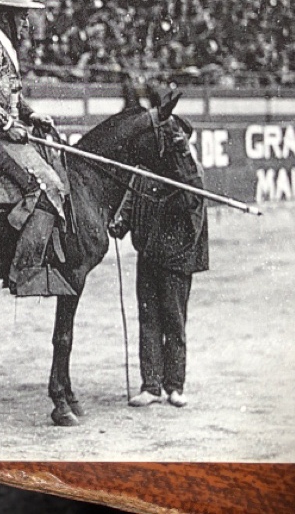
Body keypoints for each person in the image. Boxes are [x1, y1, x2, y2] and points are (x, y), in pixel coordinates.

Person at [0, 0, 72, 297]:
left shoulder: (1, 44)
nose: (26, 24)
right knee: (47, 185)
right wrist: (8, 123)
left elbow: (10, 94)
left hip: (0, 130)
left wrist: (30, 114)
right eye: (22, 17)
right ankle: (24, 271)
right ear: (7, 16)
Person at [110, 121, 208, 408]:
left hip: (178, 258)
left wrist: (184, 154)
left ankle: (175, 386)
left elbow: (193, 198)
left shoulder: (190, 171)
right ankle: (151, 386)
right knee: (148, 319)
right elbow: (130, 200)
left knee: (174, 322)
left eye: (176, 141)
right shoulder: (146, 170)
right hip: (149, 253)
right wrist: (120, 223)